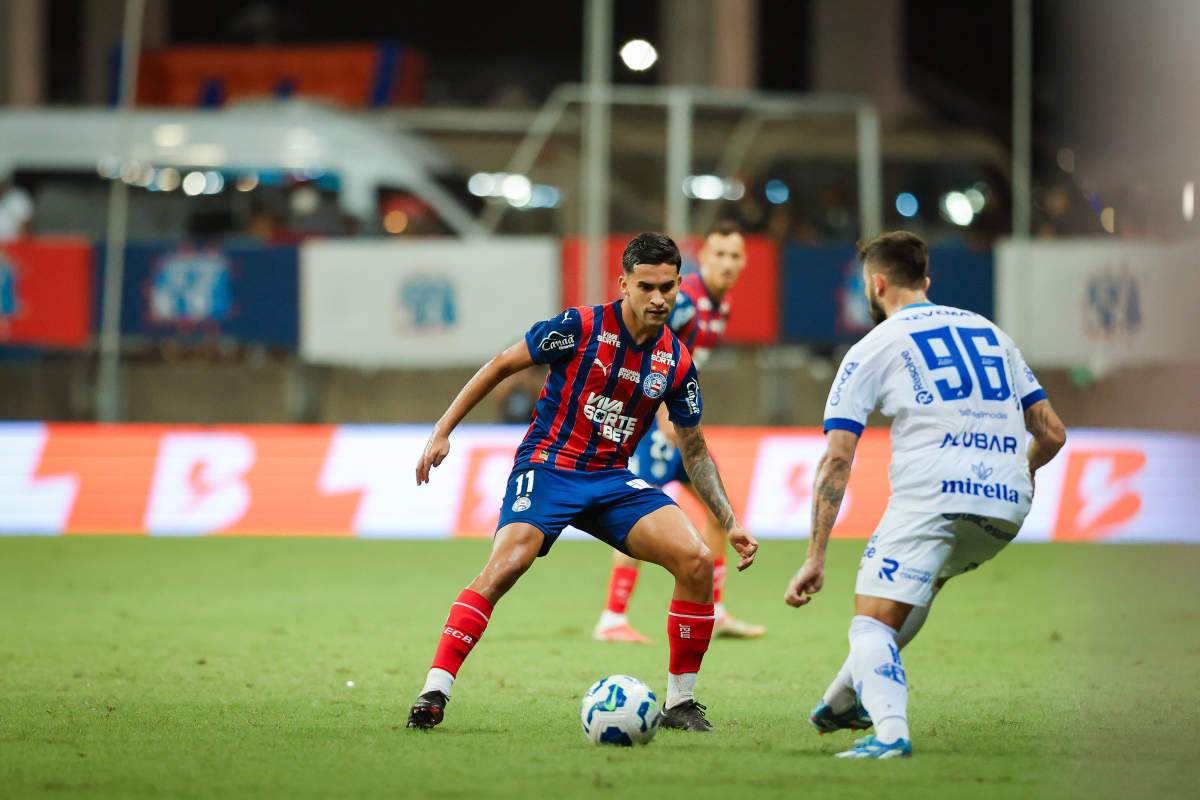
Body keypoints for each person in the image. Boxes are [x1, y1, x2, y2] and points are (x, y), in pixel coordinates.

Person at [408, 232, 758, 733]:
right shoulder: (579, 326)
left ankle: (680, 703)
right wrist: (442, 431)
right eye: (646, 287)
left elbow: (695, 447)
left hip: (612, 479)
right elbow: (502, 364)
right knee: (509, 562)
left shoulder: (677, 360)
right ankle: (434, 690)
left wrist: (730, 521)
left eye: (668, 287)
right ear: (624, 284)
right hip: (549, 466)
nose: (659, 298)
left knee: (698, 559)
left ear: (679, 284)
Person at [784, 231, 1066, 759]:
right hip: (1006, 505)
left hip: (934, 497)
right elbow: (1052, 434)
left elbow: (838, 458)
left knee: (868, 621)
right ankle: (843, 699)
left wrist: (815, 554)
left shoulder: (872, 347)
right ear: (927, 282)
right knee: (920, 583)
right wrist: (1020, 474)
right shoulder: (991, 334)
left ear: (877, 284)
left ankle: (890, 734)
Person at [593, 220, 766, 643]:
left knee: (717, 511)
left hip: (679, 429)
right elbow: (645, 343)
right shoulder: (684, 302)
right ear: (703, 258)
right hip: (658, 430)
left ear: (744, 262)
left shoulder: (719, 306)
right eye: (718, 254)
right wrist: (658, 415)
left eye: (734, 255)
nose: (726, 263)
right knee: (633, 516)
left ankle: (716, 609)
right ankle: (612, 618)